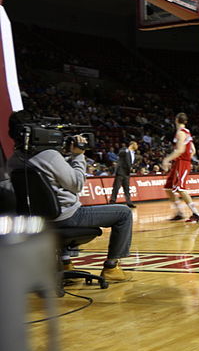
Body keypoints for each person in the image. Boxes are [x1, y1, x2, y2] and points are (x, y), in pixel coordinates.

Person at [8, 116, 133, 282]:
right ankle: (111, 267)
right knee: (124, 213)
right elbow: (77, 184)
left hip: (38, 220)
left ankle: (65, 263)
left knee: (58, 209)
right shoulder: (50, 155)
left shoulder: (14, 159)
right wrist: (79, 156)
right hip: (66, 217)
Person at [162, 113, 199, 222]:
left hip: (182, 163)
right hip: (179, 163)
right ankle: (180, 212)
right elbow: (193, 150)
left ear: (176, 120)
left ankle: (197, 214)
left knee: (180, 189)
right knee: (168, 188)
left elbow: (180, 150)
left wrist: (167, 159)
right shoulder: (187, 132)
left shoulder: (180, 133)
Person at [110, 140, 138, 208]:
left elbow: (131, 163)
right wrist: (127, 149)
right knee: (116, 187)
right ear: (132, 145)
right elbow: (120, 154)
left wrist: (132, 168)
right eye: (136, 144)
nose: (137, 146)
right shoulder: (124, 150)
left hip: (127, 173)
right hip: (121, 172)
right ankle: (112, 201)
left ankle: (129, 202)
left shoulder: (133, 153)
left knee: (127, 188)